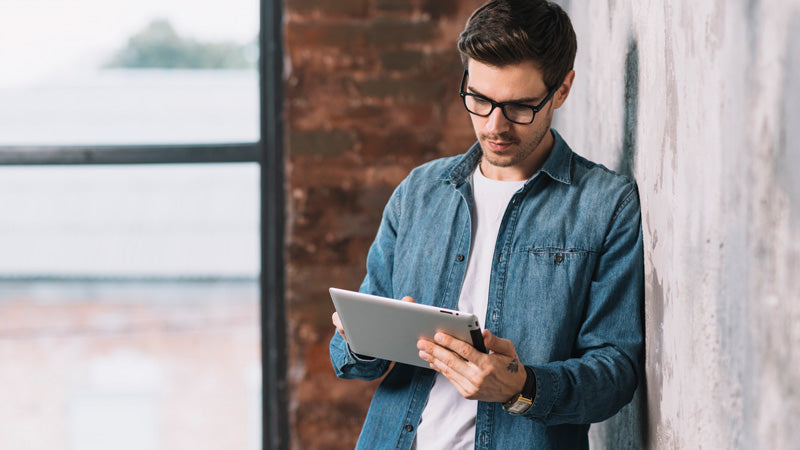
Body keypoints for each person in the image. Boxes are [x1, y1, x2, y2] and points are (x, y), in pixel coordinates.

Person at [329, 0, 644, 448]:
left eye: (520, 107)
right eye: (479, 99)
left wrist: (523, 387)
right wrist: (357, 338)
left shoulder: (606, 204)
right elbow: (352, 361)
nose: (495, 125)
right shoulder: (419, 192)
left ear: (562, 90)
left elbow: (616, 372)